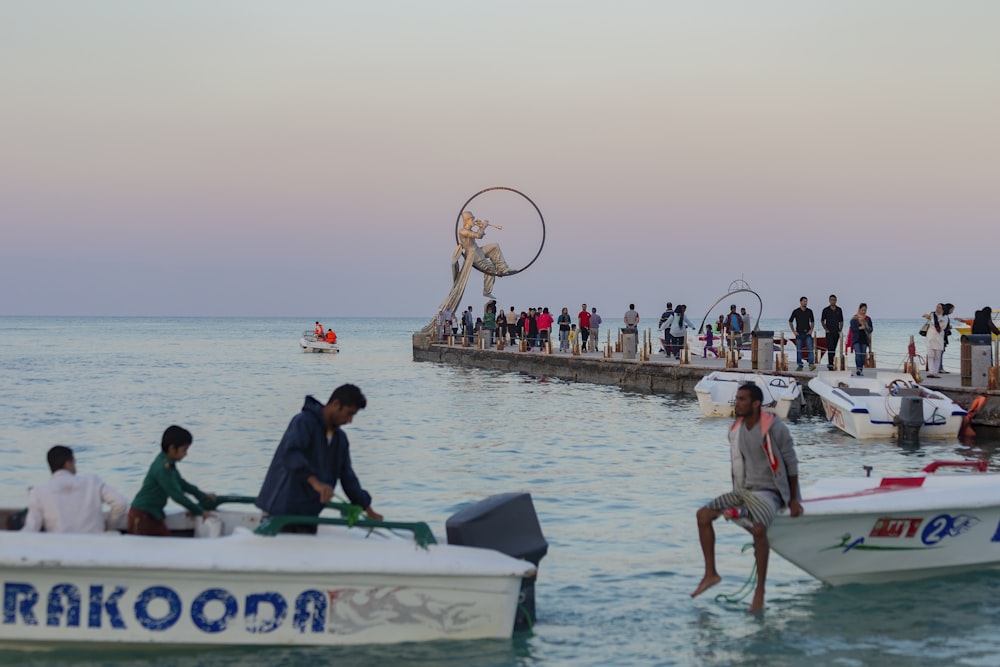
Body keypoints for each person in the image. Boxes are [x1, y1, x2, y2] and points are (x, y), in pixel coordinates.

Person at [691, 383, 803, 613]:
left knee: (760, 529)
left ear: (755, 403)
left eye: (742, 399)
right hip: (744, 492)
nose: (737, 403)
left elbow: (791, 463)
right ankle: (711, 573)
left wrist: (794, 499)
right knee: (703, 515)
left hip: (771, 493)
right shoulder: (735, 430)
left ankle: (759, 592)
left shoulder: (774, 428)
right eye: (737, 398)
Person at [257, 384, 382, 534]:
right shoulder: (303, 422)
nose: (350, 421)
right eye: (349, 414)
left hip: (309, 514)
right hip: (282, 510)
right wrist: (316, 483)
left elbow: (347, 477)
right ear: (336, 404)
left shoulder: (340, 439)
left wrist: (367, 509)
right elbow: (291, 454)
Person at [128, 426, 216, 537]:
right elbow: (177, 495)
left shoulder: (167, 463)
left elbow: (181, 483)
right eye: (184, 450)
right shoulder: (163, 468)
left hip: (153, 515)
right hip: (143, 516)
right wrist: (199, 511)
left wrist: (201, 495)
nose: (186, 454)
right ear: (172, 448)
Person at [22, 445, 128, 534]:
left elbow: (32, 528)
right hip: (95, 546)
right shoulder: (93, 482)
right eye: (74, 462)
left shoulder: (38, 492)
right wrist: (109, 527)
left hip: (61, 549)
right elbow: (121, 503)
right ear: (68, 464)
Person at [458, 211, 509, 299]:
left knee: (495, 246)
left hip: (477, 250)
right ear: (467, 220)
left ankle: (502, 268)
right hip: (473, 255)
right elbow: (478, 236)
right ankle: (487, 291)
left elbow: (477, 234)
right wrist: (484, 226)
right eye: (472, 219)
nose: (474, 221)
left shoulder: (469, 230)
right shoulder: (463, 231)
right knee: (491, 268)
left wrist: (480, 227)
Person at [788, 297, 816, 371]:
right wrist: (793, 331)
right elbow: (790, 321)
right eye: (804, 301)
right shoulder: (796, 311)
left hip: (807, 334)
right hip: (799, 334)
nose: (805, 303)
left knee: (810, 349)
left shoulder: (809, 311)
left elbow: (812, 321)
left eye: (806, 301)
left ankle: (811, 364)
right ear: (800, 302)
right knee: (799, 350)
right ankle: (800, 365)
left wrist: (811, 330)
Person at [922, 303, 948, 378]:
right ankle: (931, 372)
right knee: (930, 355)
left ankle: (935, 372)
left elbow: (942, 326)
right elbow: (934, 323)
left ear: (943, 309)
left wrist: (931, 318)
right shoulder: (933, 314)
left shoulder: (945, 317)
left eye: (940, 307)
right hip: (930, 336)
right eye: (937, 307)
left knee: (937, 356)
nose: (937, 309)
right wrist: (931, 318)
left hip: (939, 337)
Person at [820, 294, 844, 371]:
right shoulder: (825, 310)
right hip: (829, 332)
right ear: (829, 301)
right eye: (831, 300)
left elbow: (841, 320)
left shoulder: (839, 310)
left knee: (834, 348)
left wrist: (840, 329)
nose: (833, 301)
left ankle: (831, 362)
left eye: (834, 300)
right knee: (830, 347)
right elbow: (822, 321)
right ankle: (830, 363)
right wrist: (826, 329)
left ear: (836, 300)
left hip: (836, 332)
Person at [849, 303, 874, 376]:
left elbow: (871, 329)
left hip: (864, 339)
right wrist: (860, 328)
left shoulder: (868, 319)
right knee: (858, 354)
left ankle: (861, 369)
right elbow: (853, 329)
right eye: (862, 310)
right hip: (856, 339)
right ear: (859, 309)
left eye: (865, 310)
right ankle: (858, 369)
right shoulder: (854, 319)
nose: (863, 311)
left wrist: (866, 326)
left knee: (863, 355)